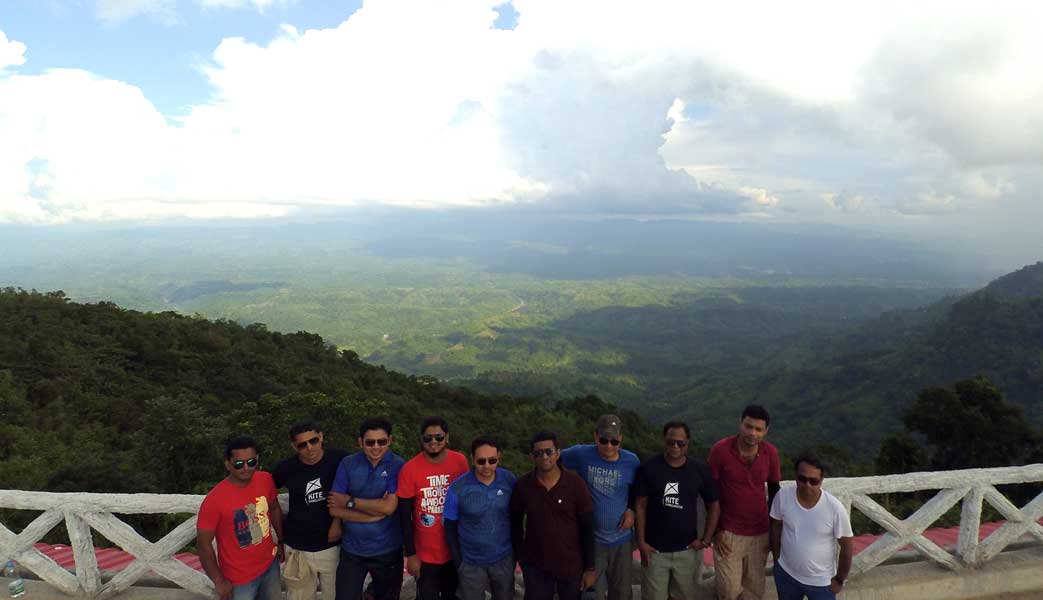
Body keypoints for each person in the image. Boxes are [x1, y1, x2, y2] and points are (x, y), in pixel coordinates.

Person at [634, 421, 719, 600]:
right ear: (664, 440)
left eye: (681, 443)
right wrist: (641, 542)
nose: (675, 447)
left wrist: (705, 540)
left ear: (688, 443)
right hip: (654, 552)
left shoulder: (699, 469)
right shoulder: (648, 467)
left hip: (688, 551)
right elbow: (640, 505)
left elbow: (714, 505)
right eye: (670, 442)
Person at [561, 414, 640, 600]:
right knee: (593, 592)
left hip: (622, 540)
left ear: (621, 439)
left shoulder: (631, 461)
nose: (609, 446)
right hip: (593, 541)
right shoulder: (581, 454)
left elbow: (638, 489)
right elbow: (552, 459)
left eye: (614, 441)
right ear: (595, 436)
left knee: (622, 593)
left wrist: (631, 509)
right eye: (604, 440)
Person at [510, 431, 597, 600]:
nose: (544, 457)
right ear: (532, 457)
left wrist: (590, 568)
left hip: (571, 565)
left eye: (549, 451)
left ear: (557, 453)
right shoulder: (523, 486)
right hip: (536, 567)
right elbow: (515, 523)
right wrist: (522, 558)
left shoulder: (575, 483)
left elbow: (587, 526)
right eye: (538, 453)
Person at [197, 436, 285, 600]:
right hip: (238, 578)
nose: (246, 468)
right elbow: (203, 545)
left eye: (251, 462)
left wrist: (281, 540)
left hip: (270, 565)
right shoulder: (214, 499)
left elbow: (274, 508)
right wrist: (219, 581)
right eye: (239, 464)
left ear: (257, 459)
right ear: (228, 464)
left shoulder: (265, 479)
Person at [327, 418, 406, 600]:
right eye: (370, 442)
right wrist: (373, 515)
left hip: (388, 550)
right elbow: (334, 509)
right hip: (352, 551)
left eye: (382, 441)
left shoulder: (398, 465)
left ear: (389, 440)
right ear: (360, 442)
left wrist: (349, 501)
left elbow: (389, 507)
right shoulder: (348, 464)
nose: (376, 447)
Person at [272, 420, 351, 600]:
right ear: (294, 446)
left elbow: (354, 484)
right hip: (298, 547)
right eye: (302, 445)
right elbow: (265, 490)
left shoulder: (339, 459)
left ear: (321, 437)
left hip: (332, 544)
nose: (309, 448)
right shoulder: (286, 468)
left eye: (313, 441)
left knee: (335, 595)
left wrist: (338, 521)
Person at [708, 405, 781, 600]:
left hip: (760, 532)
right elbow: (711, 492)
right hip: (728, 532)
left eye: (758, 429)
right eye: (748, 426)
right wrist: (717, 530)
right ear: (740, 424)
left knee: (754, 591)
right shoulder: (721, 450)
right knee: (728, 591)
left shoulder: (770, 453)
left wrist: (773, 530)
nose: (752, 433)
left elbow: (774, 490)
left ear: (766, 431)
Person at [397, 417, 470, 600]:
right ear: (421, 439)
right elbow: (404, 516)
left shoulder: (460, 461)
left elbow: (467, 502)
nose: (433, 442)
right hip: (425, 554)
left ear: (447, 437)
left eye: (439, 437)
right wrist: (411, 554)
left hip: (454, 550)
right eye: (428, 438)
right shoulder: (410, 469)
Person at [769, 455, 853, 600]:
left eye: (813, 481)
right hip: (786, 575)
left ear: (821, 481)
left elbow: (847, 546)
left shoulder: (834, 508)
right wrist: (777, 560)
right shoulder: (783, 496)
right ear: (796, 477)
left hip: (821, 582)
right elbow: (775, 526)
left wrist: (839, 579)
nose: (807, 485)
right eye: (802, 479)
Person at [444, 436, 518, 600]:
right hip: (470, 563)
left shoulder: (509, 480)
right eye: (481, 461)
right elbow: (449, 527)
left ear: (499, 457)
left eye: (492, 461)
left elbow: (517, 517)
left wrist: (515, 555)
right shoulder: (458, 488)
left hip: (503, 558)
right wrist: (459, 563)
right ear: (472, 458)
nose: (487, 466)